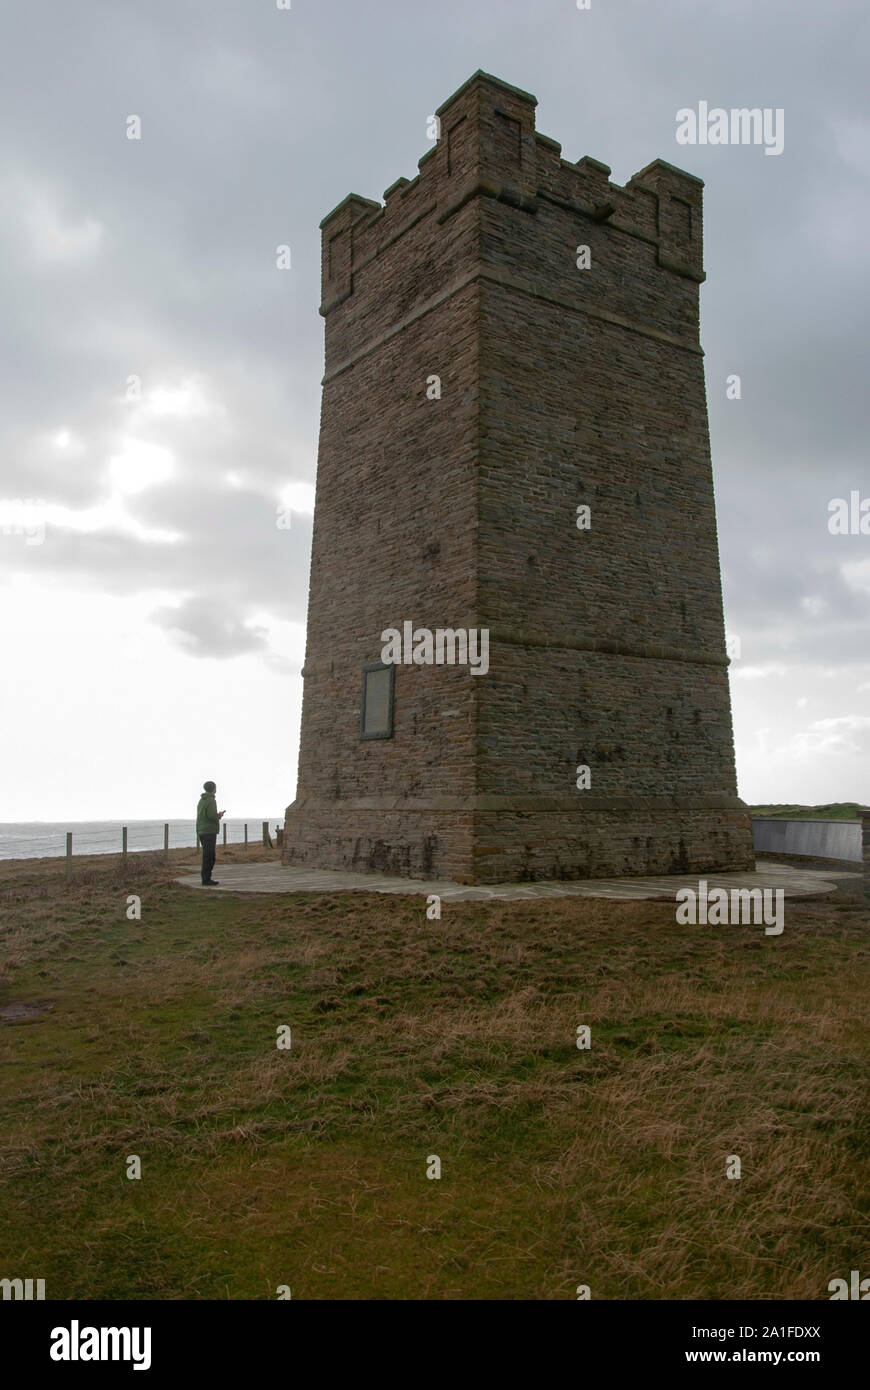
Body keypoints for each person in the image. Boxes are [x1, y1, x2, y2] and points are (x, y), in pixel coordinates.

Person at [196, 780, 225, 886]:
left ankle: (206, 878)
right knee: (210, 856)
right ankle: (206, 879)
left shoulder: (201, 800)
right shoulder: (211, 800)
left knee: (206, 855)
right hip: (209, 831)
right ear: (213, 789)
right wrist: (219, 815)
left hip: (201, 830)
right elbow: (211, 815)